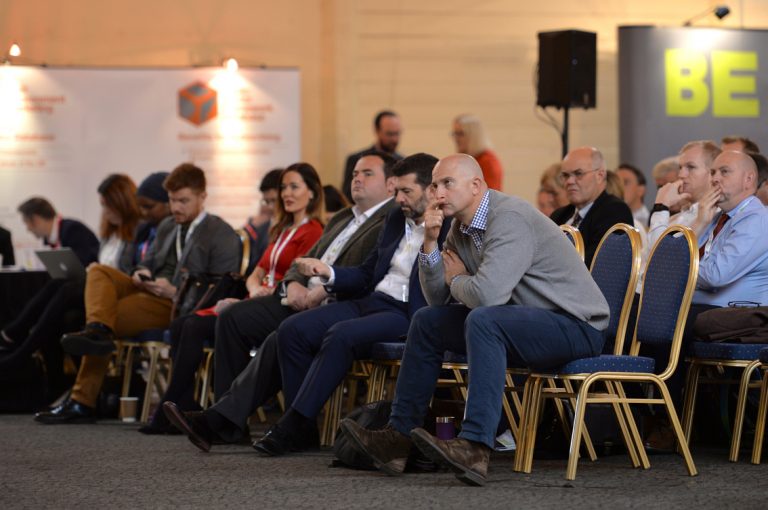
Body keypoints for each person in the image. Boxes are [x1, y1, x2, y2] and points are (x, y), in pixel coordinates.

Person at [339, 154, 609, 486]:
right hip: (522, 322)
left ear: (476, 185)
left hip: (575, 326)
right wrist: (429, 244)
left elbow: (488, 297)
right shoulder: (459, 228)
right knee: (426, 322)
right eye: (435, 185)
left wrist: (457, 280)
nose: (438, 194)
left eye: (447, 184)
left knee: (483, 319)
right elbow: (438, 299)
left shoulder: (508, 218)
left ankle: (476, 445)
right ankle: (398, 437)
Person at [159, 151, 397, 447]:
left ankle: (229, 421)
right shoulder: (342, 217)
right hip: (298, 299)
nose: (357, 178)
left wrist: (321, 290)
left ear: (390, 185)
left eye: (367, 173)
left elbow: (368, 274)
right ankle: (229, 421)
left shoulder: (391, 220)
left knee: (269, 331)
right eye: (354, 174)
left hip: (338, 303)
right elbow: (301, 264)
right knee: (252, 327)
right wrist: (293, 286)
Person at [34, 163, 240, 424]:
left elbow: (221, 289)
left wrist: (175, 291)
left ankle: (81, 399)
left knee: (104, 320)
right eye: (172, 200)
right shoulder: (167, 226)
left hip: (176, 305)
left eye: (184, 200)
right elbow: (147, 261)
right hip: (149, 293)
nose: (176, 207)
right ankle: (96, 330)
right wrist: (142, 273)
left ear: (202, 197)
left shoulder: (220, 233)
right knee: (98, 272)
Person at [140, 163, 325, 433]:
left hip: (286, 304)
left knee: (228, 317)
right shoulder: (282, 230)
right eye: (283, 187)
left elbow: (299, 278)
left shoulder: (313, 231)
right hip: (264, 297)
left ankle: (224, 420)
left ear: (312, 193)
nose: (287, 193)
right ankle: (222, 416)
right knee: (204, 321)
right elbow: (257, 271)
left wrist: (260, 295)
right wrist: (253, 291)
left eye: (294, 187)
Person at [0, 174, 143, 398]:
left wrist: (97, 271)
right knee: (61, 318)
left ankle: (19, 345)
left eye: (107, 206)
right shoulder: (109, 234)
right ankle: (57, 386)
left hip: (114, 296)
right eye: (103, 206)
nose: (104, 212)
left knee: (62, 287)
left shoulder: (135, 232)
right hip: (97, 295)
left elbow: (130, 270)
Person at [549, 147, 634, 266]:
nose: (569, 181)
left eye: (578, 174)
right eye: (565, 175)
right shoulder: (559, 215)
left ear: (600, 175)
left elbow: (596, 264)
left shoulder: (614, 211)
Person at [648, 141, 721, 249]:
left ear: (712, 173)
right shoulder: (675, 218)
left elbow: (661, 257)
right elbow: (646, 258)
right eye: (680, 168)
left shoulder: (716, 217)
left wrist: (661, 207)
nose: (681, 175)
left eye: (691, 167)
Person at [17, 197, 100, 266]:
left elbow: (82, 267)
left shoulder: (72, 230)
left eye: (26, 222)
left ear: (36, 219)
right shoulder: (48, 239)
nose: (28, 229)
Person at [341, 111, 403, 201]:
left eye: (397, 133)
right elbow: (347, 196)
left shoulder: (403, 162)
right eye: (389, 134)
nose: (394, 139)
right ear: (377, 131)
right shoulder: (356, 159)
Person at [243, 168, 283, 274]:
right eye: (266, 201)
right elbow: (249, 264)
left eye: (274, 201)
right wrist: (251, 228)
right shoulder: (260, 227)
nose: (270, 207)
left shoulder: (295, 227)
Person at [451, 114, 503, 191]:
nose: (456, 139)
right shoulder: (465, 159)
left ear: (473, 135)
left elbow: (489, 194)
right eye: (455, 134)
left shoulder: (488, 162)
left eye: (460, 134)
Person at [616, 163, 649, 228]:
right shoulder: (609, 220)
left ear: (641, 190)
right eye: (617, 183)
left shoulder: (650, 224)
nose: (619, 187)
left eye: (625, 182)